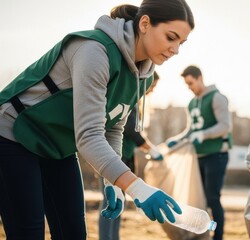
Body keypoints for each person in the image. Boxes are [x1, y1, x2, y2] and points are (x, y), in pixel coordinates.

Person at [0, 1, 194, 239]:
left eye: (181, 43)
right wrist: (138, 188)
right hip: (13, 134)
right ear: (145, 24)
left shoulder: (144, 73)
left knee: (73, 232)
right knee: (28, 232)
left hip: (56, 146)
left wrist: (113, 181)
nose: (175, 50)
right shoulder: (94, 50)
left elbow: (113, 128)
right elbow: (89, 136)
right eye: (171, 37)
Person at [167, 65, 232, 240]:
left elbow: (225, 126)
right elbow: (191, 129)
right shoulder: (192, 103)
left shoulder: (217, 97)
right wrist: (178, 139)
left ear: (199, 78)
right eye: (187, 85)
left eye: (191, 83)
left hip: (216, 154)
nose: (190, 87)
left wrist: (204, 134)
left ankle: (217, 237)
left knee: (212, 198)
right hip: (198, 157)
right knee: (199, 200)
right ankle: (202, 234)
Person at [99, 71, 163, 240]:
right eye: (152, 85)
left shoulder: (136, 101)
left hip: (125, 156)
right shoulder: (128, 99)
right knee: (110, 202)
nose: (152, 90)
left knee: (119, 203)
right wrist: (151, 149)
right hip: (112, 159)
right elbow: (129, 131)